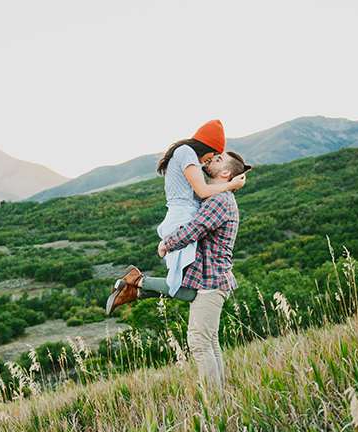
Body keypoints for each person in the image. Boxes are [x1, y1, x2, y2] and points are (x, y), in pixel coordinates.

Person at [105, 151, 252, 391]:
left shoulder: (220, 201)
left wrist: (167, 243)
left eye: (217, 160)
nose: (210, 160)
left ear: (225, 173)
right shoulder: (217, 197)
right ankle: (220, 394)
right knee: (210, 341)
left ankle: (214, 402)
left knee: (199, 343)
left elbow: (196, 228)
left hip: (211, 281)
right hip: (209, 280)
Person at [156, 119, 245, 297]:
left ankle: (139, 285)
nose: (207, 161)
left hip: (183, 215)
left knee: (185, 280)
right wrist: (230, 185)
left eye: (214, 159)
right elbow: (203, 192)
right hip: (183, 215)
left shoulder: (185, 153)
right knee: (181, 280)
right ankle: (138, 284)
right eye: (212, 156)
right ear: (207, 148)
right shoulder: (187, 152)